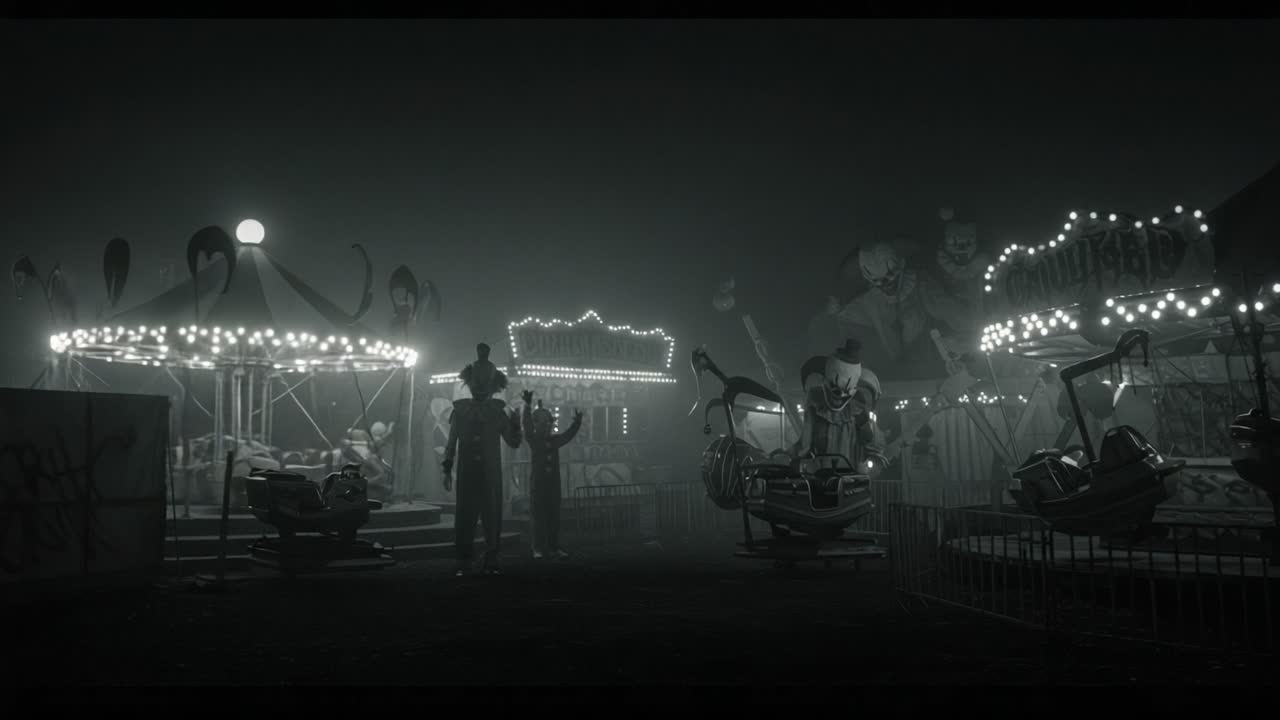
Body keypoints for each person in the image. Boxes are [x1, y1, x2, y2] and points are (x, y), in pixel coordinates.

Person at [442, 344, 523, 576]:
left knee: (491, 514)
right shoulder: (461, 412)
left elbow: (513, 442)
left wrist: (516, 421)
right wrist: (447, 468)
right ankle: (465, 560)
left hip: (489, 473)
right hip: (470, 472)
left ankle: (490, 558)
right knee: (465, 515)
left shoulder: (497, 413)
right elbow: (451, 443)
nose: (479, 389)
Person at [520, 390, 583, 560]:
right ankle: (538, 548)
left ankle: (553, 547)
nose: (546, 425)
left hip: (553, 485)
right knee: (538, 517)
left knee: (553, 517)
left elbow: (568, 435)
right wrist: (527, 406)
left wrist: (577, 423)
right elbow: (526, 425)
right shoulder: (534, 439)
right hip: (539, 484)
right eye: (543, 422)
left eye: (548, 422)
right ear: (537, 424)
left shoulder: (554, 440)